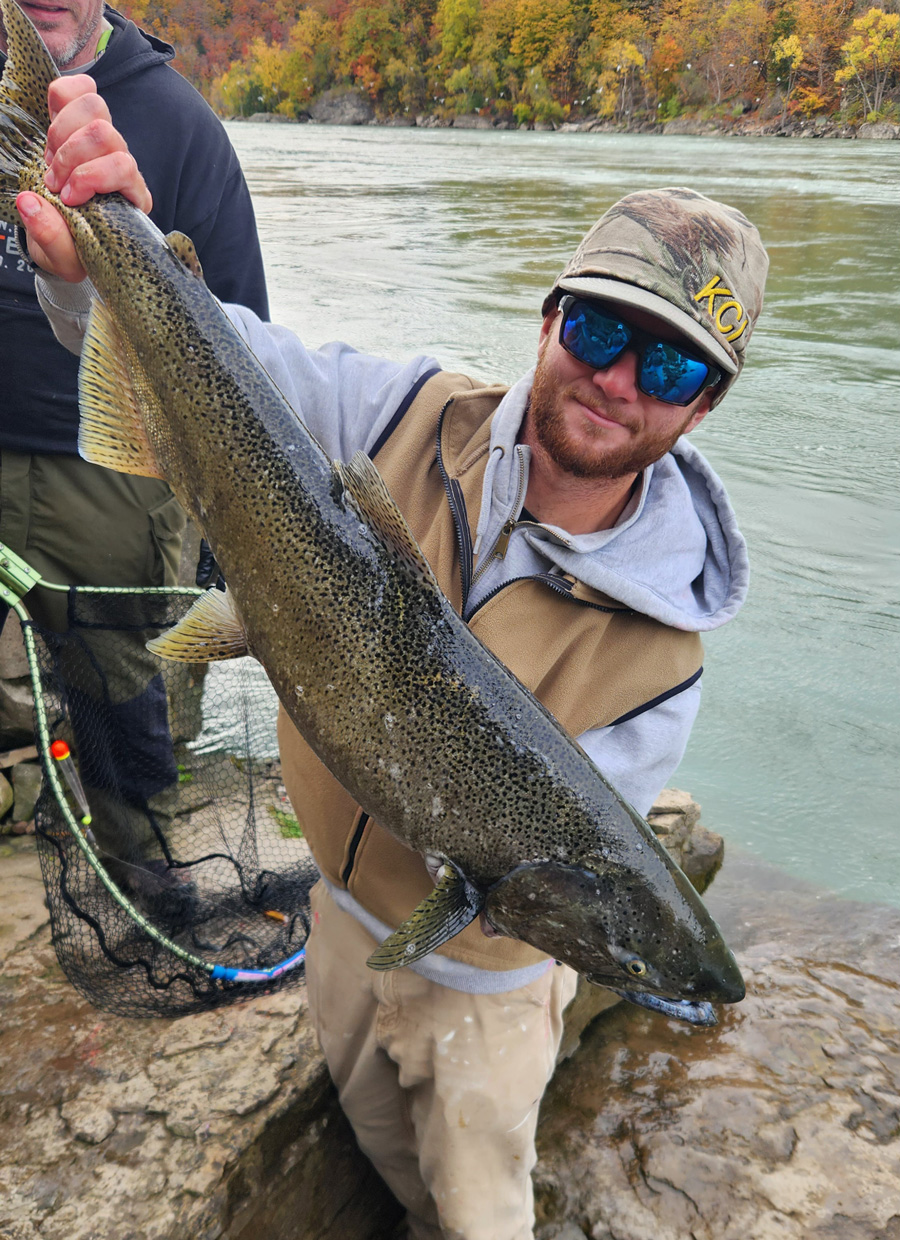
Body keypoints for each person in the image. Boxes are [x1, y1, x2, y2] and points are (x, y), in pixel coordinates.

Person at [19, 79, 768, 1240]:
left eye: (669, 369)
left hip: (485, 996)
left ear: (704, 406)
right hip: (337, 918)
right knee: (373, 1143)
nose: (619, 381)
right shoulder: (408, 411)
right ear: (549, 320)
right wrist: (98, 256)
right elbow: (216, 355)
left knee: (472, 1208)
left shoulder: (663, 656)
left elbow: (549, 881)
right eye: (601, 331)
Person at [0, 1, 268, 908]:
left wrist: (227, 541)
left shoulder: (180, 125)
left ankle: (141, 867)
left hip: (116, 477)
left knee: (119, 687)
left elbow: (246, 347)